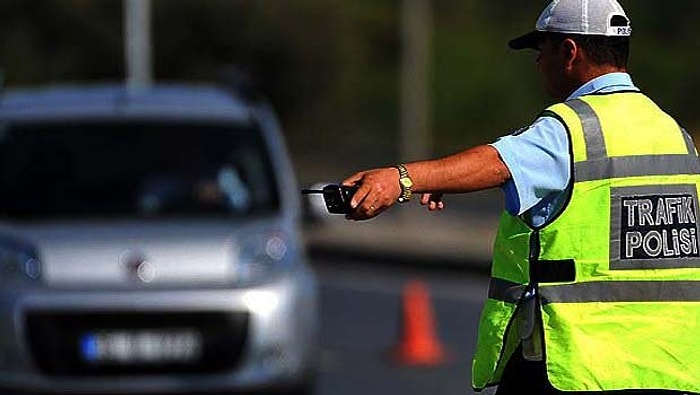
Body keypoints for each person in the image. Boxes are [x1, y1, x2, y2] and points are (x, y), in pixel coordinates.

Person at [341, 0, 700, 394]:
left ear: (568, 51)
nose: (537, 63)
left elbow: (496, 162)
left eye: (540, 50)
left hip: (580, 368)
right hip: (669, 367)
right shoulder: (672, 133)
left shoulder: (573, 127)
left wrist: (402, 178)